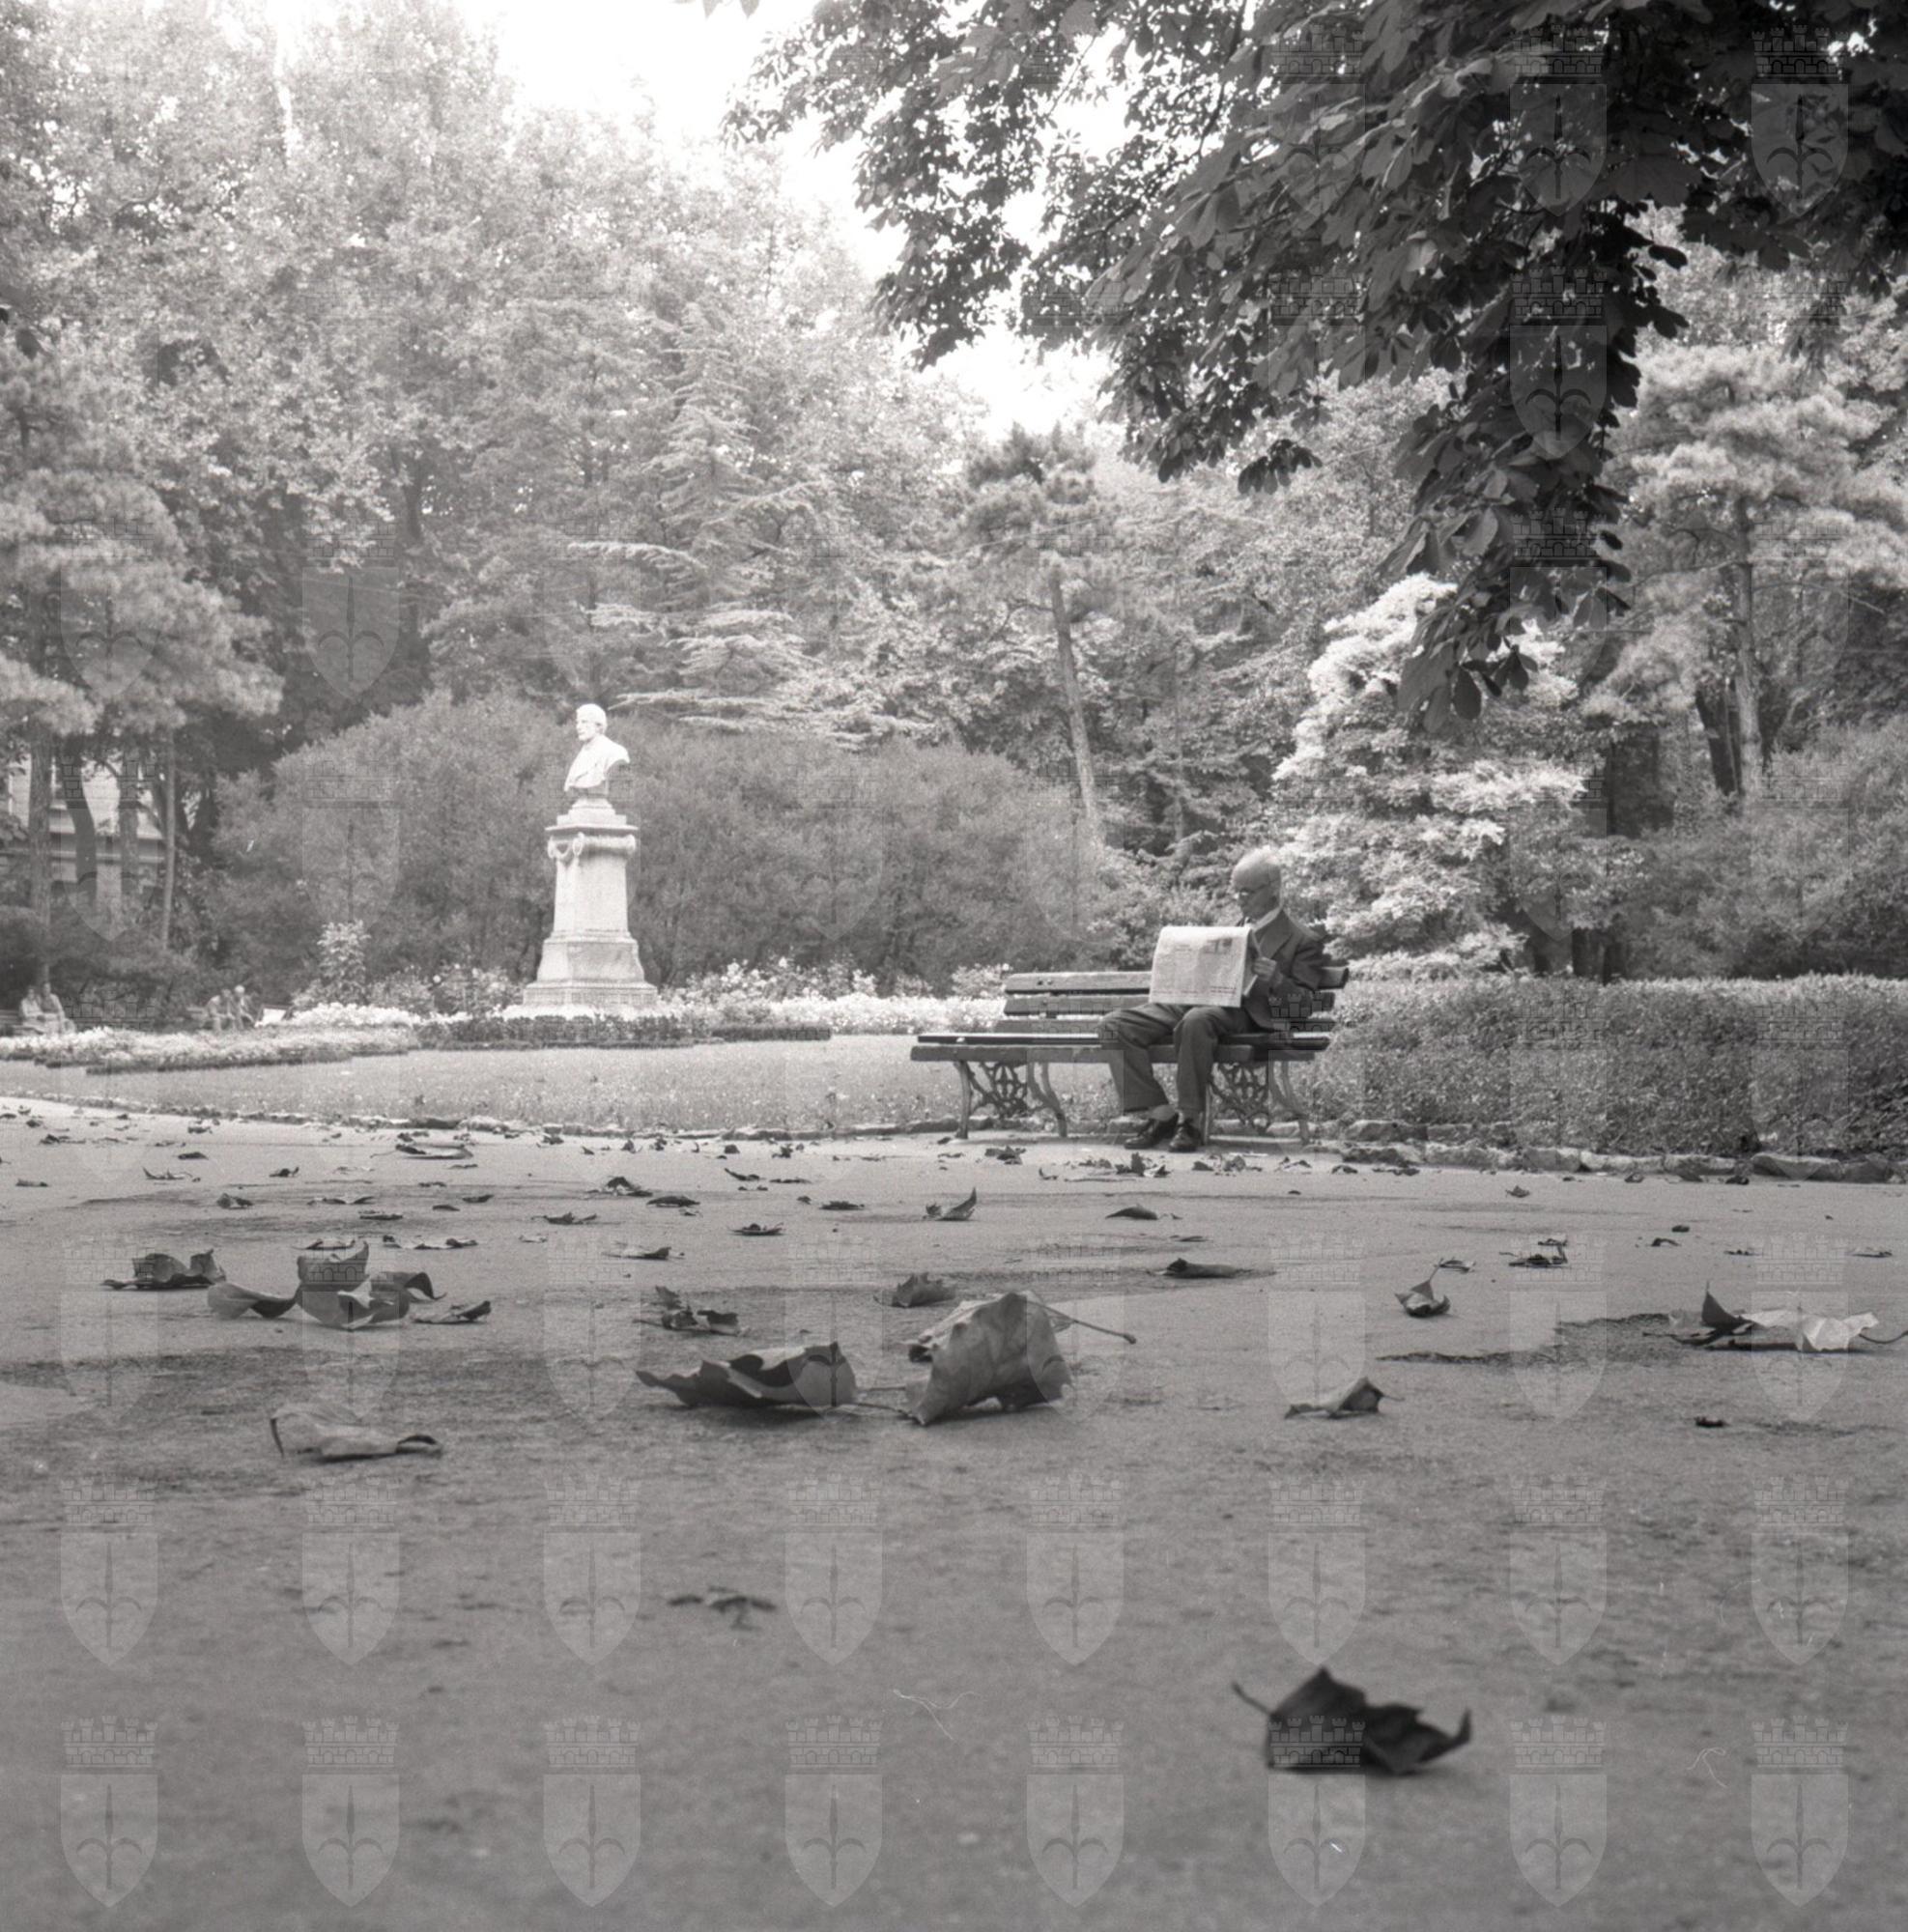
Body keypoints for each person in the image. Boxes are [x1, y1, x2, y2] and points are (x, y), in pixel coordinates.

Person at [1097, 847, 1330, 1152]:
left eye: (1247, 891)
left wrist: (1277, 980)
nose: (1239, 898)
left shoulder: (1302, 939)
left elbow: (1303, 1009)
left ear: (1274, 888)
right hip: (1197, 1000)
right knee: (1114, 1025)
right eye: (1236, 890)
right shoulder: (1230, 929)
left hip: (1246, 1014)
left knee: (1196, 1020)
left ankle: (1189, 1121)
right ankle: (1161, 1114)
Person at [563, 703, 630, 798]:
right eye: (577, 722)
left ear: (598, 725)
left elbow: (619, 793)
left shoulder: (615, 752)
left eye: (584, 722)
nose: (578, 727)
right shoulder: (582, 755)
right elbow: (568, 788)